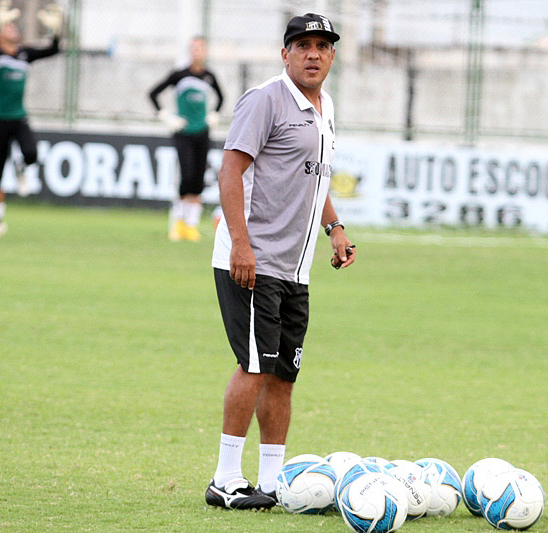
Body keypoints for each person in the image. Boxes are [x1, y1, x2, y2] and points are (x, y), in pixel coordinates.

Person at [205, 13, 355, 510]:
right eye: (303, 45)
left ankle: (271, 482)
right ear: (285, 52)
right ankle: (225, 479)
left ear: (332, 55)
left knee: (284, 375)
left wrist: (333, 228)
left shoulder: (324, 105)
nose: (313, 54)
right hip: (252, 262)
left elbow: (315, 177)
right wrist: (241, 246)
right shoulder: (265, 99)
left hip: (295, 269)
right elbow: (230, 174)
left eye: (322, 46)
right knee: (253, 365)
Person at [0, 1, 62, 242]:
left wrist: (56, 31)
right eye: (9, 27)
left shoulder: (24, 54)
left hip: (18, 118)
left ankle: (21, 168)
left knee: (31, 153)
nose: (13, 29)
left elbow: (54, 50)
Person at [149, 36, 224, 242]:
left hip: (202, 131)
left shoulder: (209, 76)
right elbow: (153, 93)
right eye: (194, 48)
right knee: (186, 174)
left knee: (198, 177)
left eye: (201, 48)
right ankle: (177, 222)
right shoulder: (179, 75)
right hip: (183, 132)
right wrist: (166, 116)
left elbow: (221, 97)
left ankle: (191, 225)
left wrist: (214, 115)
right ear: (190, 51)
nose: (197, 52)